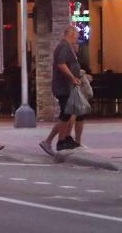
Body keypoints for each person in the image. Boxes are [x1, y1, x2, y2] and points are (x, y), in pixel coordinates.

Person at [40, 25, 84, 153]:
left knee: (68, 113)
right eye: (76, 34)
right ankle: (58, 141)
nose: (77, 37)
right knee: (65, 114)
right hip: (63, 87)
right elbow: (61, 64)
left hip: (68, 86)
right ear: (70, 33)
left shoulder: (67, 46)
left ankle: (64, 139)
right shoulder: (64, 46)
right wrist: (72, 78)